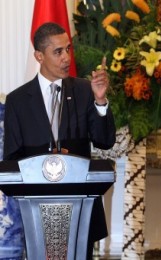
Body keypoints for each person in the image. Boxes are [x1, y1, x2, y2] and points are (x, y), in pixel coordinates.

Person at [3, 22, 116, 259]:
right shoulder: (18, 100)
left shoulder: (85, 91)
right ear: (39, 56)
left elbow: (105, 141)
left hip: (80, 213)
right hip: (36, 214)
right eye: (58, 52)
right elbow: (11, 162)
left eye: (68, 49)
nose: (66, 57)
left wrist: (101, 102)